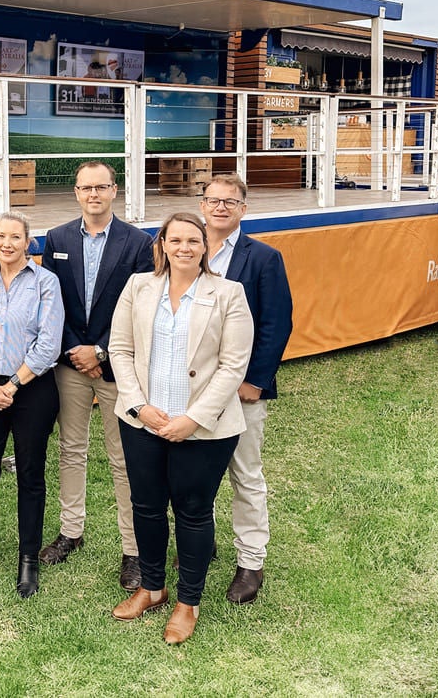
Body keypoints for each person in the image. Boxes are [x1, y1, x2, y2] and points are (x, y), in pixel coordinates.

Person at [108, 212, 252, 645]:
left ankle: (187, 602)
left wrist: (193, 419)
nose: (184, 247)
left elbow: (232, 365)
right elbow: (120, 348)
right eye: (176, 240)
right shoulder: (139, 287)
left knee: (193, 512)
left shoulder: (229, 293)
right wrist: (138, 406)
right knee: (147, 506)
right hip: (143, 422)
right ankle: (152, 588)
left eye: (194, 240)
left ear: (205, 246)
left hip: (204, 430)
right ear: (163, 245)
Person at [40, 162, 154, 591]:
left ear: (114, 190)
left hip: (117, 367)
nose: (93, 194)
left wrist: (101, 350)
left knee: (124, 459)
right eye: (85, 188)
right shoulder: (58, 238)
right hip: (71, 364)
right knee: (71, 450)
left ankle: (133, 550)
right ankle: (71, 532)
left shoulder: (139, 243)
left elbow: (141, 307)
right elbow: (51, 301)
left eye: (101, 187)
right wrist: (77, 349)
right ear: (76, 193)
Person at [0, 211, 64, 598]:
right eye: (0, 236)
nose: (7, 243)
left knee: (30, 476)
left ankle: (28, 558)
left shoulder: (45, 284)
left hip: (32, 390)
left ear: (28, 242)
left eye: (15, 237)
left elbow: (48, 344)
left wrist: (13, 385)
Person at [200, 173, 293, 605]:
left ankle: (250, 561)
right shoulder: (185, 248)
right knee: (197, 475)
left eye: (230, 201)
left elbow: (277, 323)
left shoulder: (263, 258)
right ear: (202, 204)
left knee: (245, 475)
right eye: (214, 200)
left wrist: (255, 380)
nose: (220, 207)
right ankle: (203, 543)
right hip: (192, 388)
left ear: (243, 208)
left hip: (240, 390)